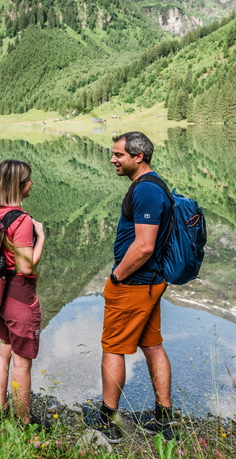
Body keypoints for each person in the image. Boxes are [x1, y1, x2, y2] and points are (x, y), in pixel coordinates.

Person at [84, 132, 176, 442]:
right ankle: (163, 420)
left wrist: (115, 278)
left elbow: (144, 246)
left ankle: (108, 420)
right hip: (150, 283)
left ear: (139, 157)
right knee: (152, 346)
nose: (113, 160)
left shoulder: (146, 191)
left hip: (134, 284)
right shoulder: (152, 185)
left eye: (118, 155)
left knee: (113, 348)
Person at [0, 159, 46, 427]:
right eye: (29, 180)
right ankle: (24, 421)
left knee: (2, 352)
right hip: (20, 298)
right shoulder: (22, 221)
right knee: (22, 362)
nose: (32, 183)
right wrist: (41, 237)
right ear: (19, 185)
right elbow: (25, 266)